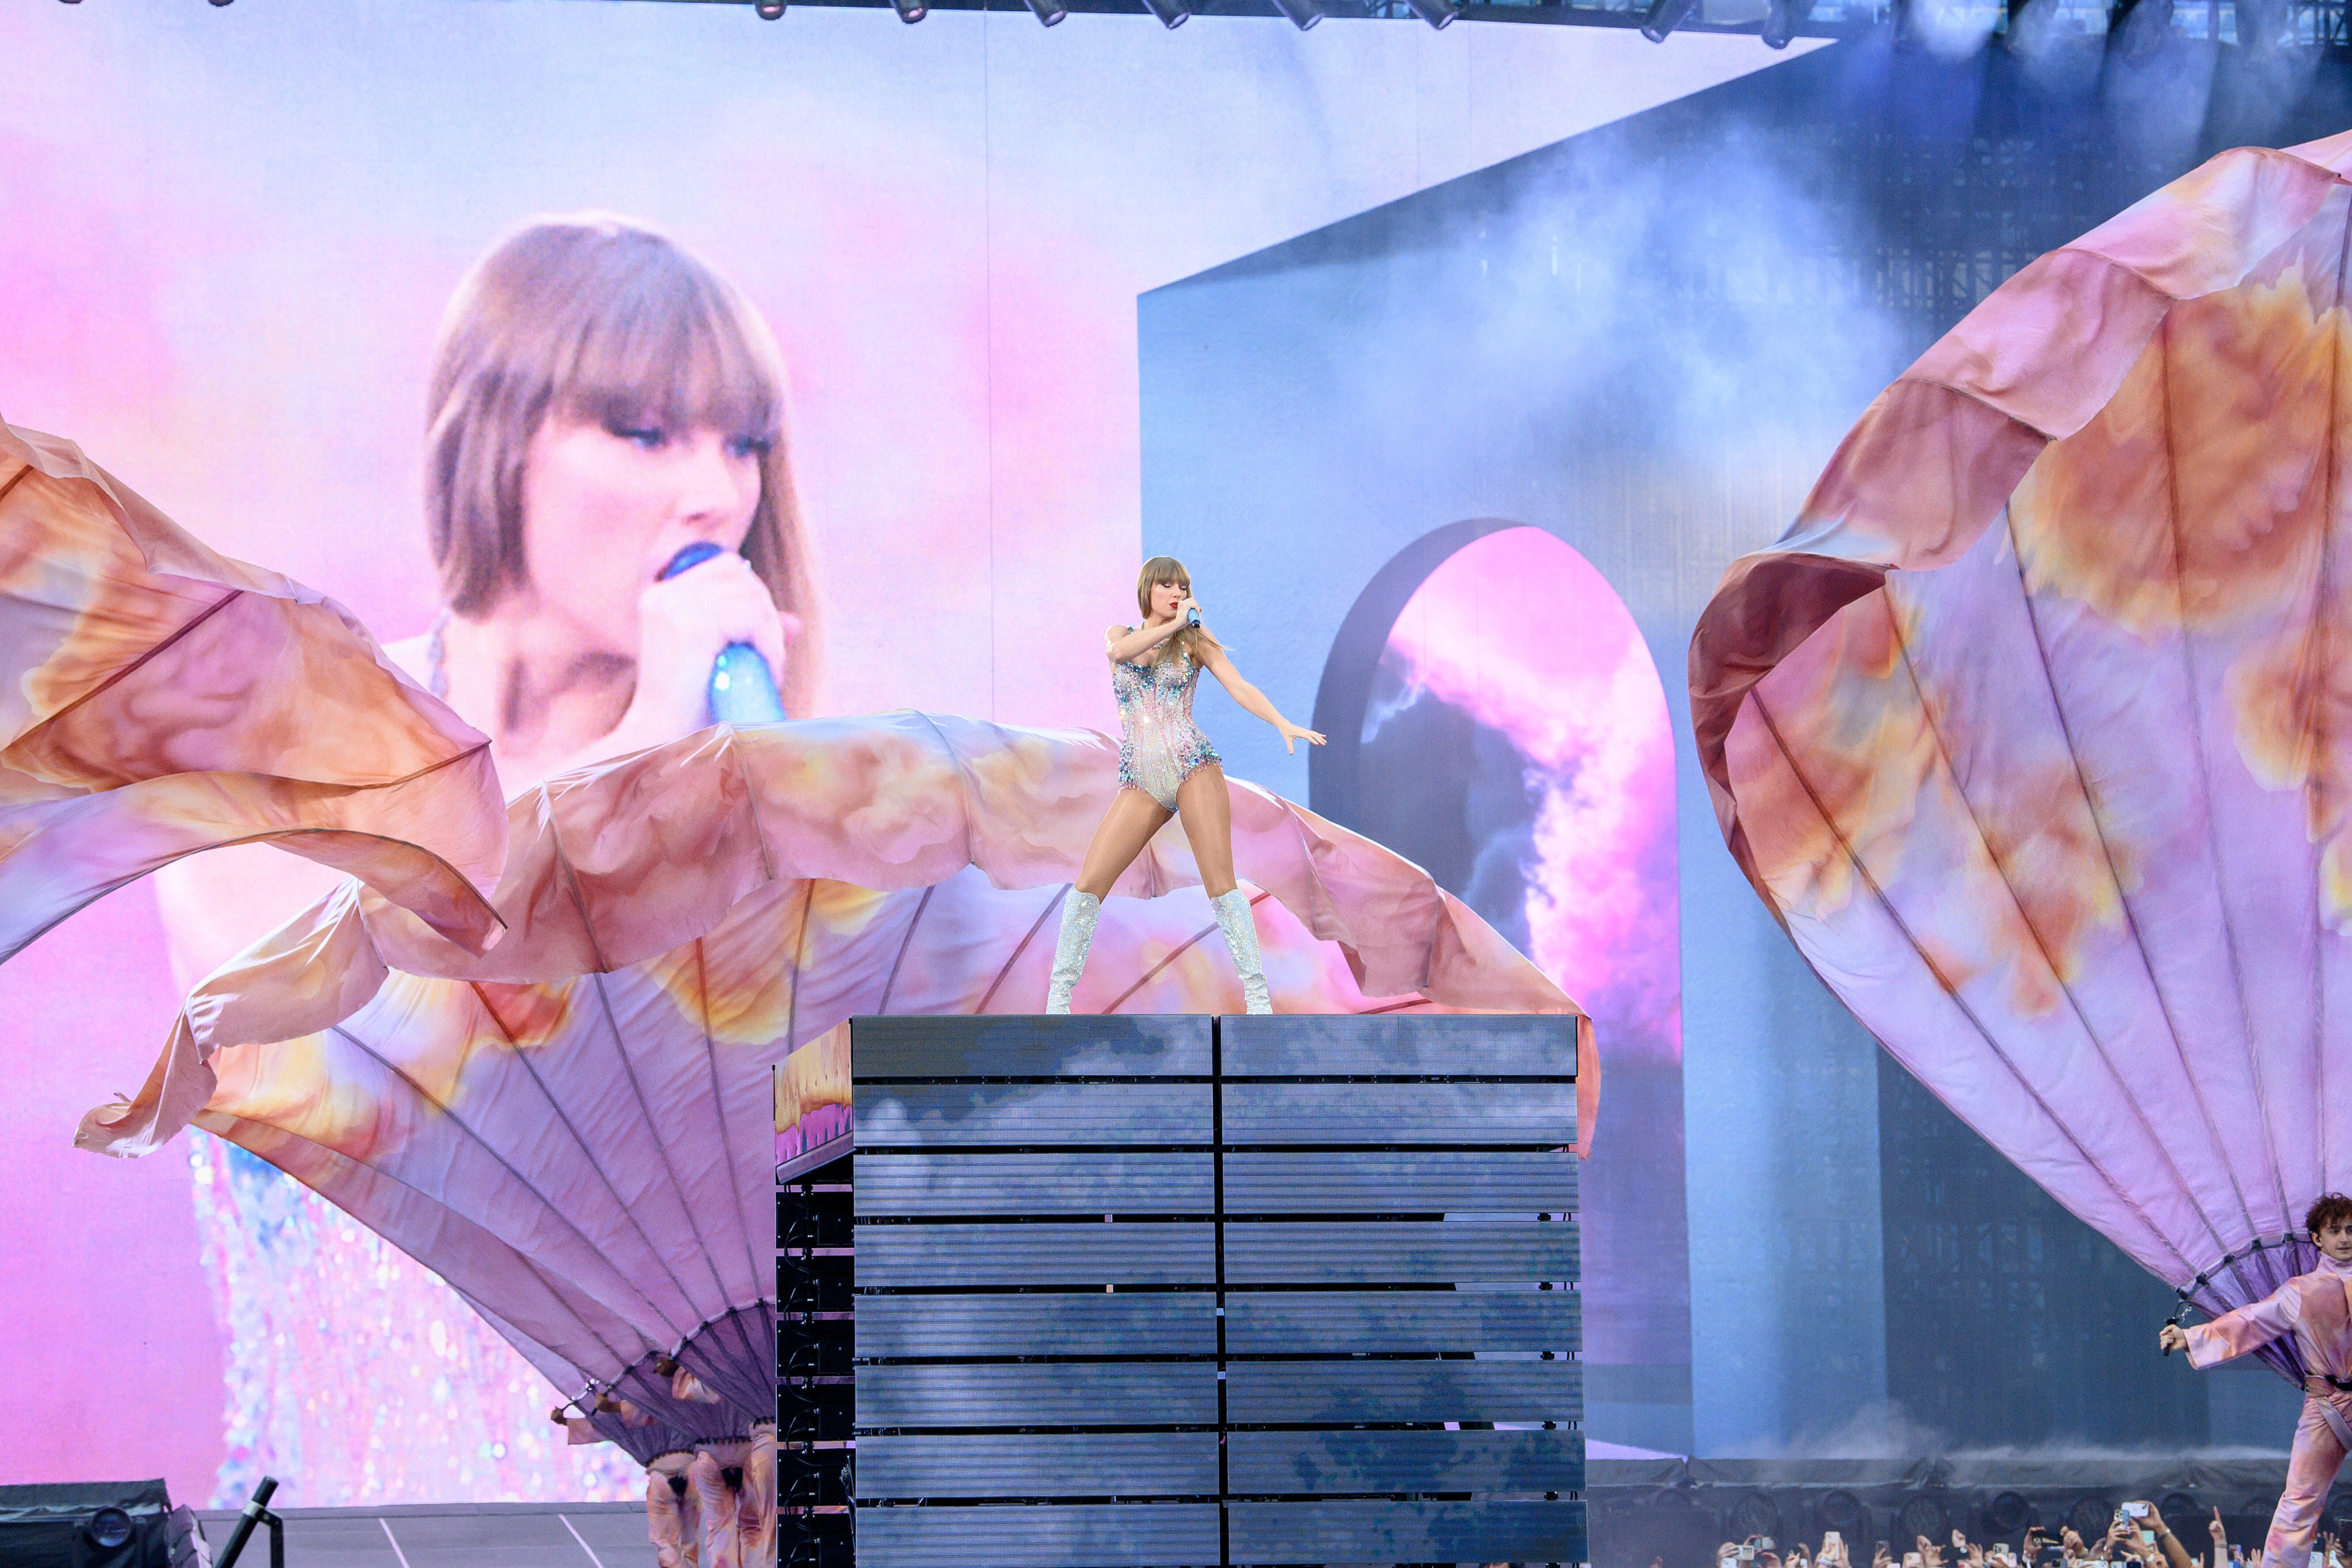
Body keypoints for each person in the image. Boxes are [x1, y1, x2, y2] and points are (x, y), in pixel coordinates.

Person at [1045, 556, 1324, 1015]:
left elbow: (1239, 686)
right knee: (1088, 886)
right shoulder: (1120, 635)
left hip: (1192, 767)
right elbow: (1120, 654)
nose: (1177, 593)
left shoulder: (1194, 640)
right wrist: (1174, 624)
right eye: (1167, 585)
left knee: (1221, 885)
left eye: (1183, 586)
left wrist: (1281, 722)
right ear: (1148, 590)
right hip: (1141, 779)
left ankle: (1258, 1000)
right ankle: (1058, 1000)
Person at [2161, 1194, 2352, 1568]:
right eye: (2335, 1230)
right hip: (2325, 1404)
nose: (2345, 1237)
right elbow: (2249, 1321)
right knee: (2299, 1501)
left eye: (2350, 1229)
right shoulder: (2300, 1291)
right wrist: (2191, 1337)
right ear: (2317, 1238)